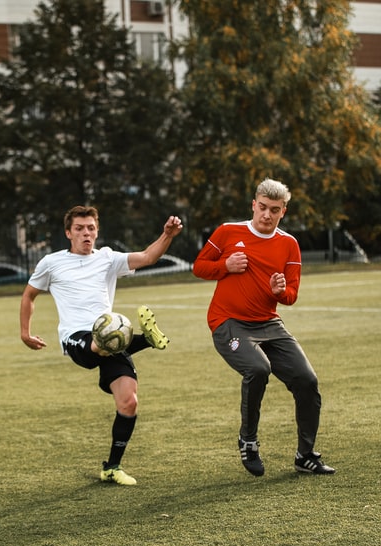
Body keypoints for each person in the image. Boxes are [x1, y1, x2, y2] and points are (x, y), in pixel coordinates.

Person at [20, 205, 183, 485]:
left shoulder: (107, 258)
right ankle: (144, 340)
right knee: (102, 340)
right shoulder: (51, 262)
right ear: (68, 232)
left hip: (111, 334)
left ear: (97, 231)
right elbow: (29, 296)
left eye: (91, 228)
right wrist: (25, 333)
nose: (86, 233)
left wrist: (167, 234)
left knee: (129, 402)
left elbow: (147, 257)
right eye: (80, 228)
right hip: (78, 337)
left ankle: (112, 467)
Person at [193, 178, 335, 477]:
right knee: (257, 369)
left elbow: (291, 296)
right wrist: (225, 266)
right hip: (228, 322)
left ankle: (305, 455)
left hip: (269, 323)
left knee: (307, 380)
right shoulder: (228, 231)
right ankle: (248, 440)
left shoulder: (289, 244)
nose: (266, 215)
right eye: (262, 207)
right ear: (253, 205)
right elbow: (199, 267)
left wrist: (279, 291)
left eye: (274, 210)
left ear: (283, 211)